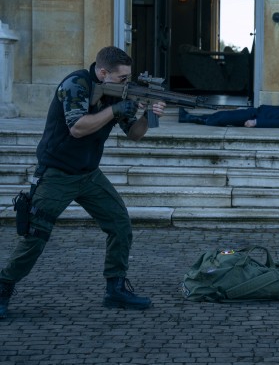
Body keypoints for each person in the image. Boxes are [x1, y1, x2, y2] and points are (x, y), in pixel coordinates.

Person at [0, 46, 166, 318]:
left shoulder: (118, 92)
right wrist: (115, 109)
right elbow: (77, 128)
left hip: (88, 174)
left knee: (119, 224)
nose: (127, 82)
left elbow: (134, 134)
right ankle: (3, 288)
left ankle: (115, 289)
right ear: (103, 73)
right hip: (57, 172)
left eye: (129, 77)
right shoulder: (76, 84)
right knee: (36, 234)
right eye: (122, 78)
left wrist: (150, 115)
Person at [178, 105, 279, 128]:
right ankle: (190, 116)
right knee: (224, 115)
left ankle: (188, 118)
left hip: (257, 116)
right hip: (257, 111)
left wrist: (256, 122)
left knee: (223, 118)